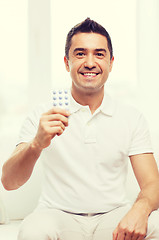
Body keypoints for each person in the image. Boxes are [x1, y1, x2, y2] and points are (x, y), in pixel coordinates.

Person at [1, 18, 159, 240]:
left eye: (99, 54)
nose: (90, 62)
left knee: (156, 224)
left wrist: (140, 211)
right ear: (67, 63)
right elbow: (9, 182)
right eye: (80, 53)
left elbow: (152, 183)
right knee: (31, 231)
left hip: (113, 216)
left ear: (111, 63)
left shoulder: (131, 117)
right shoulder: (43, 114)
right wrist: (36, 144)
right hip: (56, 215)